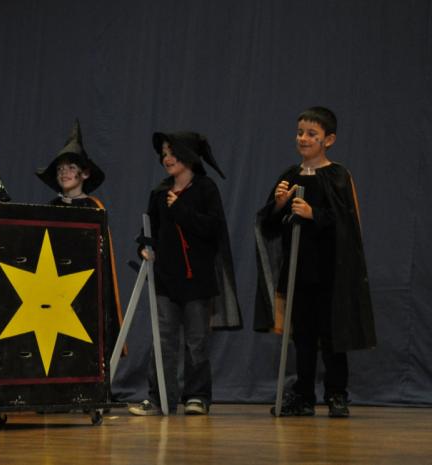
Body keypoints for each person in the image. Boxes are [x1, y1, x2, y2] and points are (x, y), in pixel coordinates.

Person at [254, 106, 376, 418]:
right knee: (303, 338)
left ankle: (336, 394)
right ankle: (304, 395)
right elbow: (269, 226)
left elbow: (346, 225)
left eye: (311, 134)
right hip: (298, 272)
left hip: (330, 272)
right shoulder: (289, 176)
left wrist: (314, 214)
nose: (303, 138)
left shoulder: (338, 177)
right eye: (300, 133)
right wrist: (279, 205)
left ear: (328, 140)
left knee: (332, 337)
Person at [128, 132, 242, 416]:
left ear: (188, 155)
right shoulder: (159, 192)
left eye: (172, 152)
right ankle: (160, 398)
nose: (166, 158)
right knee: (163, 340)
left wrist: (181, 209)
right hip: (166, 279)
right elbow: (149, 230)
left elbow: (213, 228)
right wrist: (144, 247)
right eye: (164, 153)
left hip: (197, 280)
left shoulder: (205, 189)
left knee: (196, 341)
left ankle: (197, 396)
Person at [36, 119, 124, 357]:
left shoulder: (94, 208)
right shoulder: (50, 208)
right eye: (60, 169)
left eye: (71, 167)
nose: (64, 172)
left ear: (84, 173)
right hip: (54, 287)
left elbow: (101, 256)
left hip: (85, 288)